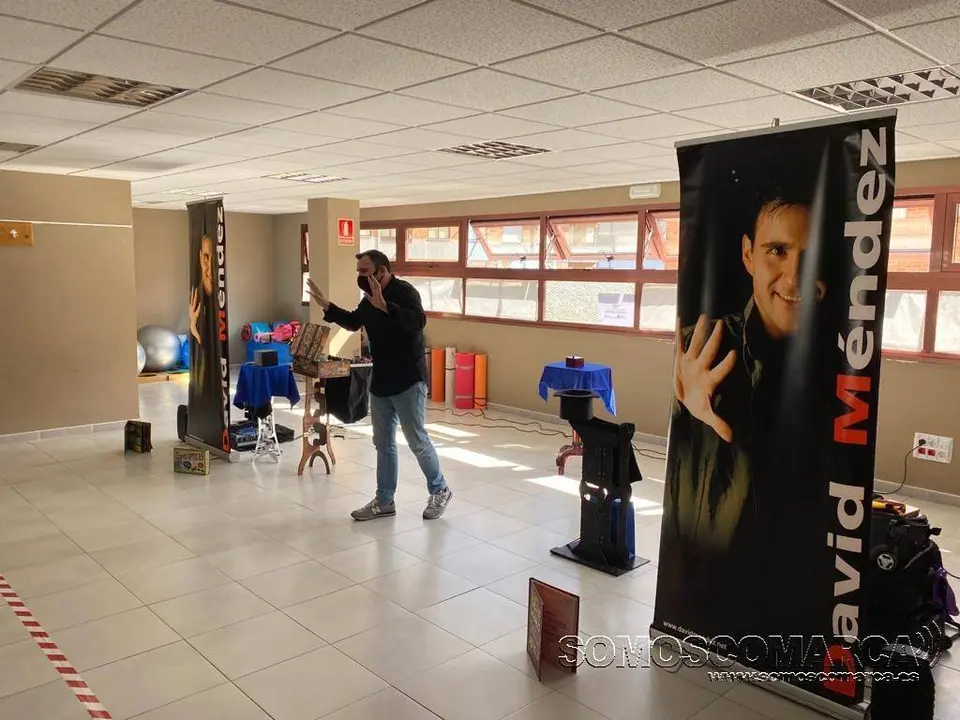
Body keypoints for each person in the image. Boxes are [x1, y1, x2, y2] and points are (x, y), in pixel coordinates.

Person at [658, 191, 835, 645]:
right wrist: (689, 405)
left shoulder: (842, 369)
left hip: (794, 600)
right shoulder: (704, 349)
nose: (794, 276)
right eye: (777, 250)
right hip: (710, 595)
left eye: (811, 256)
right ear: (747, 255)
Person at [306, 250, 453, 521]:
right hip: (382, 381)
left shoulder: (405, 292)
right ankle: (384, 500)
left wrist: (386, 306)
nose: (360, 276)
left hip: (409, 380)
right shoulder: (368, 300)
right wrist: (327, 306)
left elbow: (417, 322)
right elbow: (353, 322)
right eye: (358, 272)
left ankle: (440, 489)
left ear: (382, 272)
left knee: (417, 440)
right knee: (383, 444)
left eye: (364, 271)